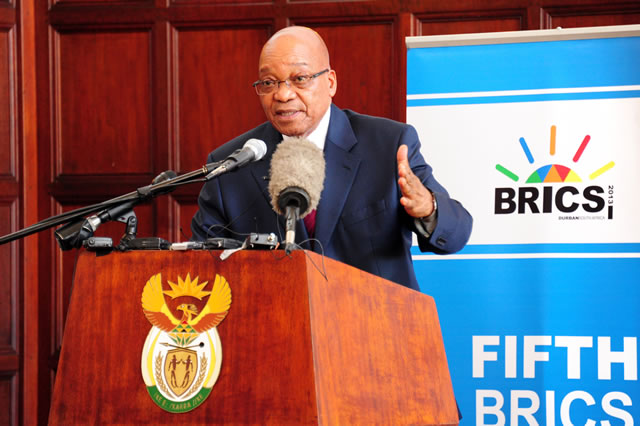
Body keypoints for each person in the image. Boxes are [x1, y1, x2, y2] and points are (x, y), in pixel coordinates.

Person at [191, 26, 472, 291]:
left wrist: (427, 208)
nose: (283, 94)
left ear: (330, 82)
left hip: (377, 329)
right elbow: (199, 267)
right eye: (268, 82)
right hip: (274, 331)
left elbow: (457, 233)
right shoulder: (232, 164)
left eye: (299, 79)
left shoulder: (388, 144)